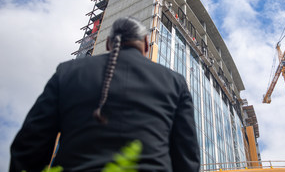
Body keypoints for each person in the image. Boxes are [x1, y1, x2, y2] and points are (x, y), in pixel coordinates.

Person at [10, 17, 200, 172]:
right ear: (146, 44)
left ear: (109, 43)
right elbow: (187, 157)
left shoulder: (67, 72)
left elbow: (30, 144)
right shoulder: (175, 81)